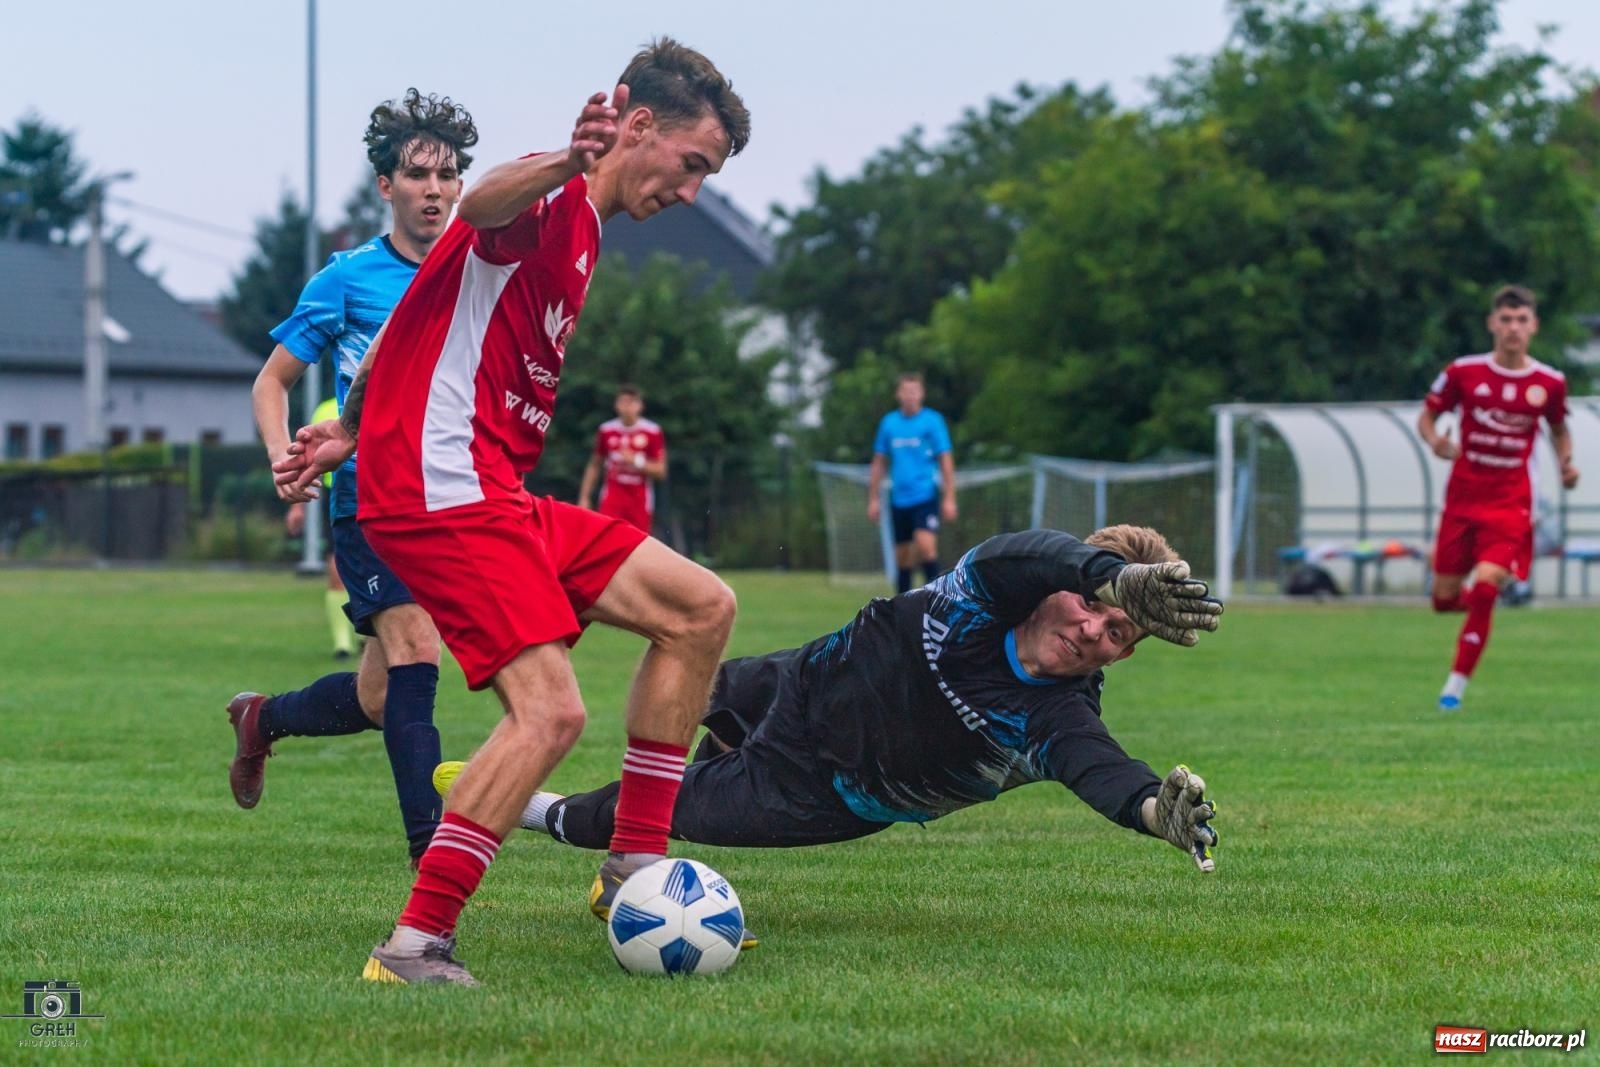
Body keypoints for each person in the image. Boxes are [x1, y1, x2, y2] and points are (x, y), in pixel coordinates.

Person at [276, 39, 755, 987]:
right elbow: (487, 201)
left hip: (493, 487)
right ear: (639, 125)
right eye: (692, 165)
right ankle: (413, 946)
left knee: (701, 607)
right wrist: (569, 161)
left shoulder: (588, 228)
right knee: (549, 713)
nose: (692, 192)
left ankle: (633, 867)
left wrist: (352, 429)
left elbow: (424, 307)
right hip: (441, 490)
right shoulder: (554, 198)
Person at [435, 526, 1224, 885]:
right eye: (1093, 602)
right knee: (683, 686)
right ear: (1070, 584)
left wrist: (1155, 809)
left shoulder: (1052, 717)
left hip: (819, 792)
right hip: (798, 679)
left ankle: (537, 809)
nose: (1092, 630)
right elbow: (1030, 550)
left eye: (1118, 632)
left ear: (1125, 653)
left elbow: (1102, 769)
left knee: (647, 808)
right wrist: (1105, 572)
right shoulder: (997, 584)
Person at [227, 90, 479, 870]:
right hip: (366, 498)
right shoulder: (347, 279)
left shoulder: (477, 269)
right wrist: (281, 454)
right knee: (416, 656)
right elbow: (272, 382)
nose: (434, 190)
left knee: (379, 696)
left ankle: (264, 719)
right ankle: (431, 860)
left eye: (448, 175)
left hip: (449, 499)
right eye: (417, 175)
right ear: (386, 186)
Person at [1417, 284, 1579, 712]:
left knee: (1486, 584)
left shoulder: (1549, 382)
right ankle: (1483, 604)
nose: (1513, 328)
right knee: (1443, 600)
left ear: (1534, 326)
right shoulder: (1463, 373)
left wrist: (1566, 464)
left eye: (1521, 320)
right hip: (1462, 501)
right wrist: (1435, 442)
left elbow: (1560, 429)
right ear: (1492, 324)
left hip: (1511, 504)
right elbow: (1428, 415)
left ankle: (1453, 689)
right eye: (1505, 320)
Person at [868, 372, 958, 593]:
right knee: (903, 558)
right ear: (898, 394)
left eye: (914, 391)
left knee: (926, 546)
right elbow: (879, 462)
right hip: (899, 498)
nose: (910, 396)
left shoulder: (932, 421)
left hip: (925, 495)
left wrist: (949, 497)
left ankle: (938, 599)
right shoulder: (889, 424)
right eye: (906, 391)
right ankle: (901, 608)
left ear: (922, 394)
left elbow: (945, 459)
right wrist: (873, 499)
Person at [286, 396, 359, 661]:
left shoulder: (386, 391)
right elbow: (308, 458)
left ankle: (368, 635)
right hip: (339, 494)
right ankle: (343, 644)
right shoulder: (326, 409)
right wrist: (297, 507)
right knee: (337, 570)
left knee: (380, 569)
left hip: (380, 490)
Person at [577, 383, 666, 534]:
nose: (626, 407)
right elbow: (595, 464)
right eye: (622, 401)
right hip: (613, 496)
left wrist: (636, 461)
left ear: (640, 405)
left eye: (631, 402)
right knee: (606, 537)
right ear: (616, 404)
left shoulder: (651, 432)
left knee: (638, 541)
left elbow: (660, 471)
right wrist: (584, 497)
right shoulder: (607, 430)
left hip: (639, 499)